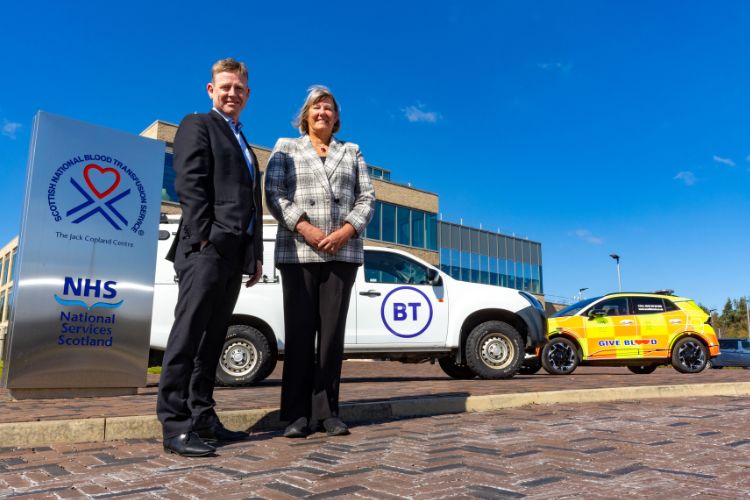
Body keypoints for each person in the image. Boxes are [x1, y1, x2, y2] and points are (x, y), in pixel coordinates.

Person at [157, 58, 263, 457]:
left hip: (234, 255)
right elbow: (190, 183)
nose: (232, 93)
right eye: (225, 87)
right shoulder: (197, 124)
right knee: (188, 336)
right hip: (204, 250)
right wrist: (206, 238)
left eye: (239, 88)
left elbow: (252, 205)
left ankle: (202, 416)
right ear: (211, 90)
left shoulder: (246, 144)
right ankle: (175, 425)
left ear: (247, 94)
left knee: (212, 340)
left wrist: (254, 255)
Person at [265, 85, 375, 438]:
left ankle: (328, 412)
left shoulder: (352, 151)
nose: (322, 113)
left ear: (336, 116)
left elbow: (368, 197)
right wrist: (305, 227)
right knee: (299, 335)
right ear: (305, 114)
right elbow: (274, 193)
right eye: (316, 108)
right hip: (298, 251)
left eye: (328, 108)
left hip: (342, 253)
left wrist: (346, 231)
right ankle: (296, 414)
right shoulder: (285, 147)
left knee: (331, 337)